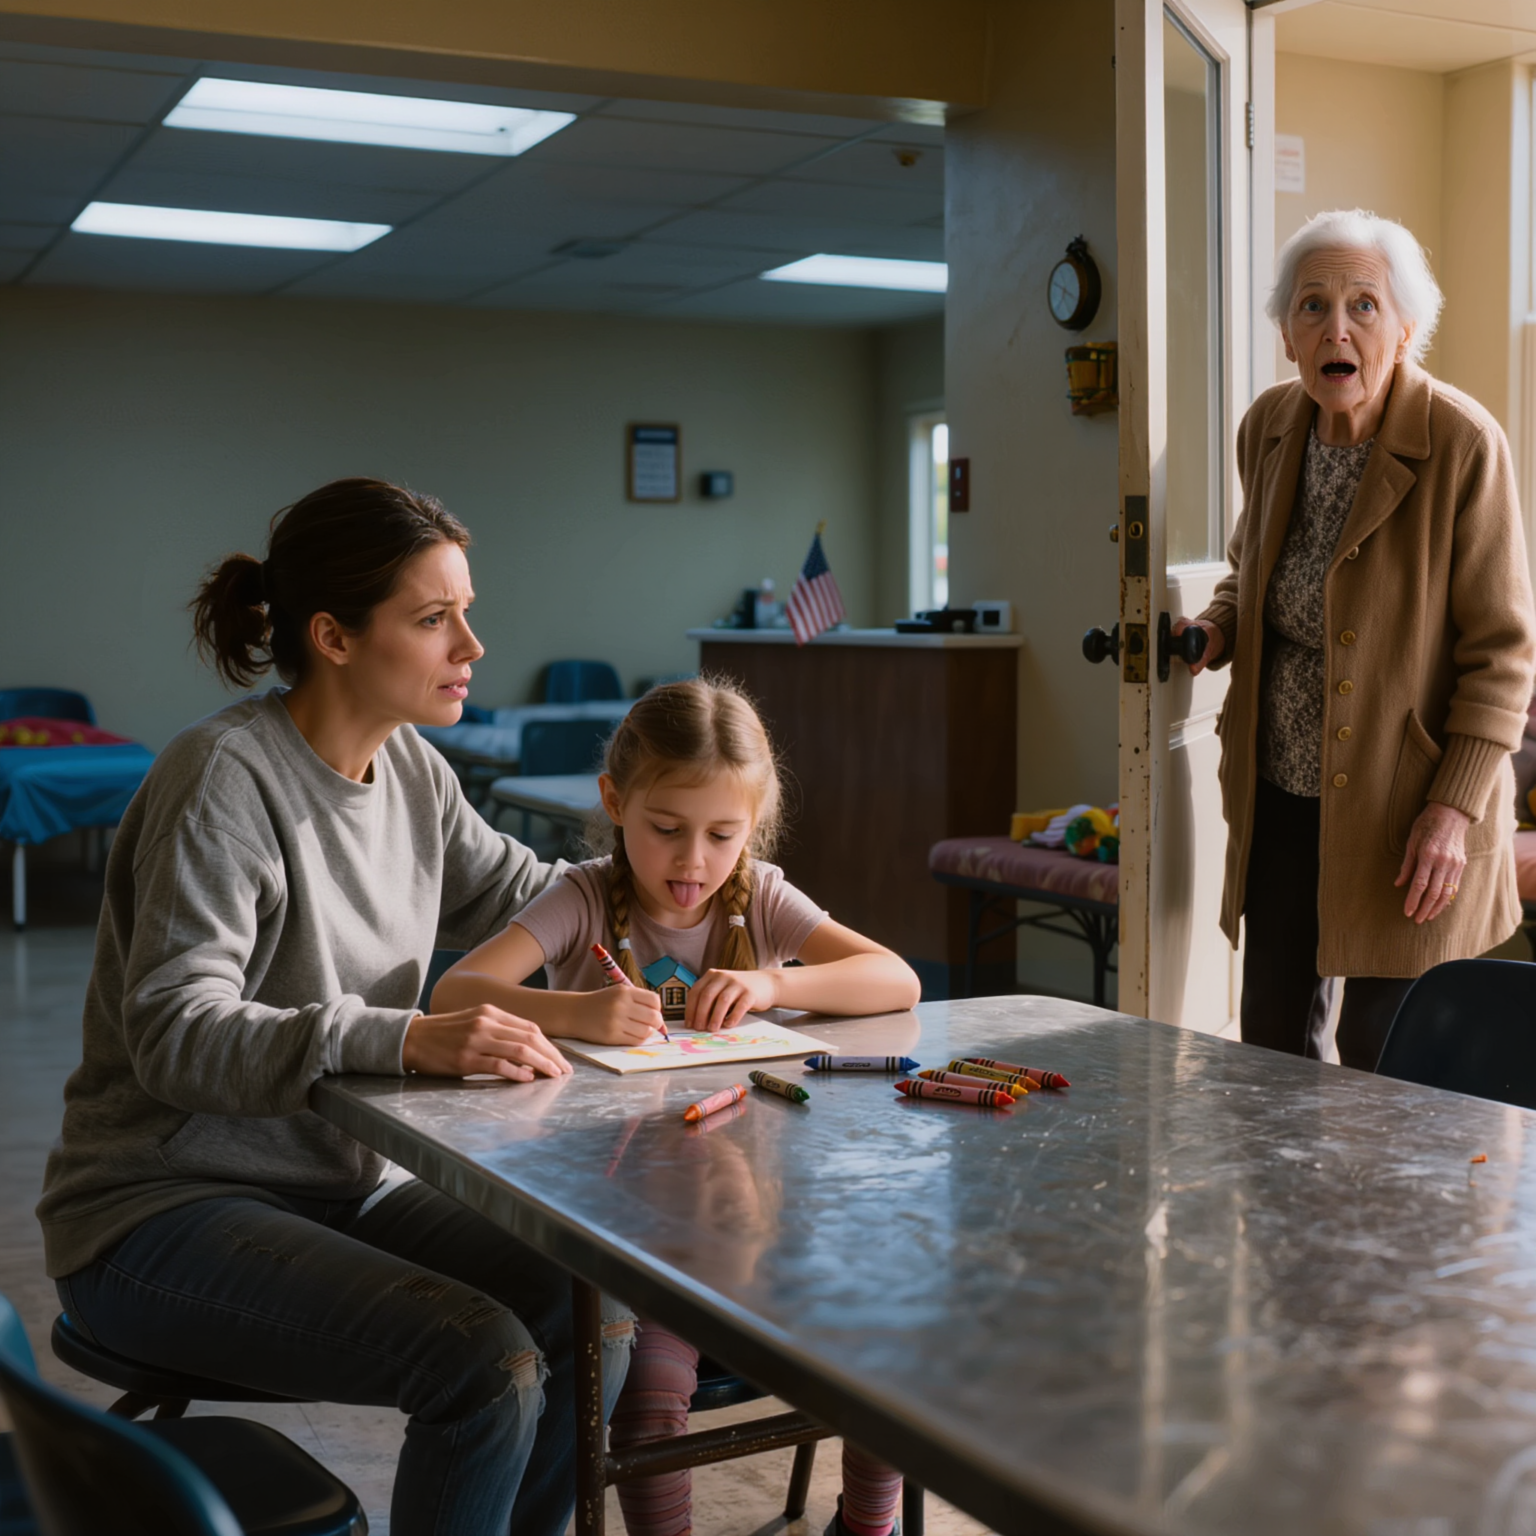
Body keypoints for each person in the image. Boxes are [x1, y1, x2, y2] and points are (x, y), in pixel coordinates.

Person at [36, 477, 633, 1536]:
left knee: (597, 1315)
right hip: (156, 1211)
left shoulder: (412, 770)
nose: (473, 645)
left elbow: (536, 895)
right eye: (435, 617)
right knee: (485, 1360)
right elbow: (175, 1032)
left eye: (467, 611)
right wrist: (407, 1038)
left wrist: (693, 893)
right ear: (336, 637)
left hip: (339, 1186)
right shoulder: (222, 776)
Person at [433, 676, 922, 1536]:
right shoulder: (582, 896)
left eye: (722, 835)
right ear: (615, 803)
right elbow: (453, 991)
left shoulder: (761, 894)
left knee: (887, 1353)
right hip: (632, 1249)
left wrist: (775, 980)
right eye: (665, 830)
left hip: (761, 1232)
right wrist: (575, 1009)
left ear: (752, 828)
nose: (693, 862)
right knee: (649, 1403)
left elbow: (895, 977)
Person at [1174, 209, 1536, 1068]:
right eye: (1312, 306)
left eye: (1364, 305)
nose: (1337, 328)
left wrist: (1452, 809)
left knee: (1389, 1056)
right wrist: (1215, 628)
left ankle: (1401, 1213)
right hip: (1283, 792)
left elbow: (1504, 653)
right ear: (1288, 335)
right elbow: (1248, 570)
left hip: (1408, 805)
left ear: (1406, 329)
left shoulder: (1462, 442)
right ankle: (1282, 1207)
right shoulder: (1268, 428)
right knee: (1272, 1042)